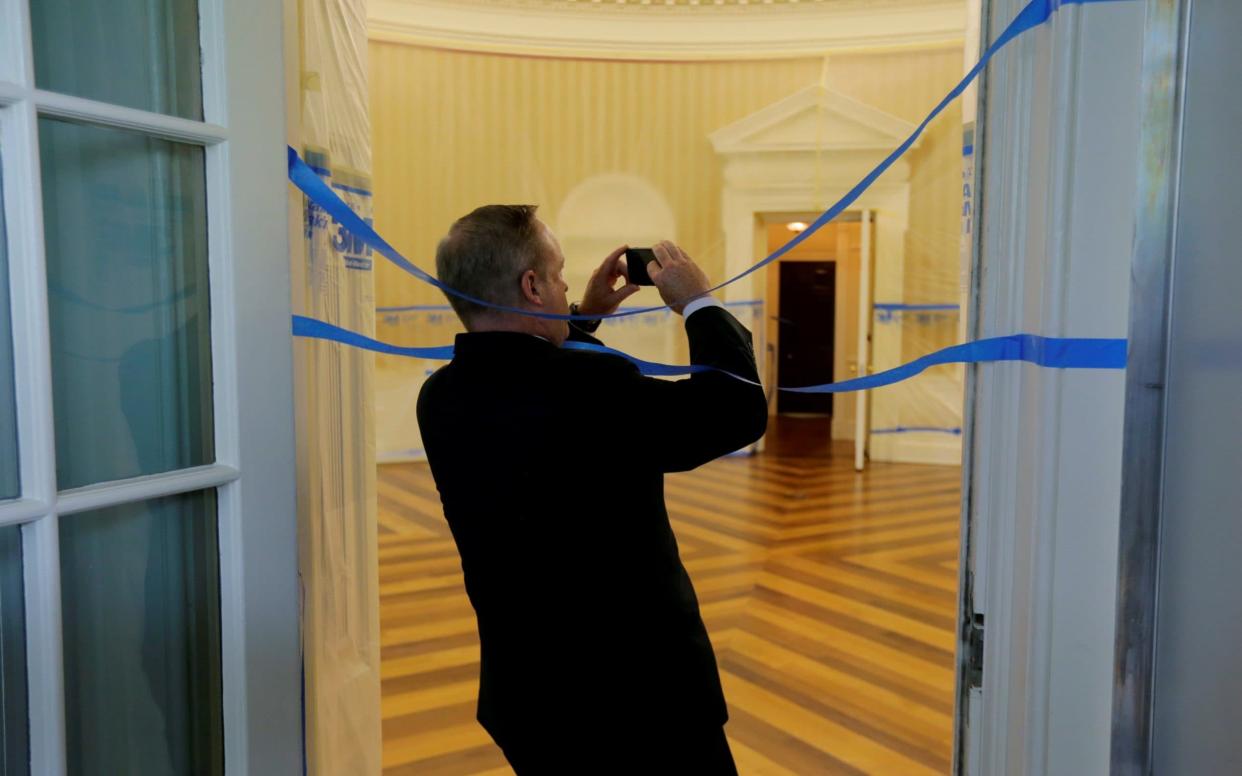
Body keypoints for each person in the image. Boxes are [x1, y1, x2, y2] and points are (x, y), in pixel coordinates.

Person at [417, 204, 767, 774]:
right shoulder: (592, 387)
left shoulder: (439, 398)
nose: (563, 285)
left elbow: (528, 380)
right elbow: (733, 413)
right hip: (641, 706)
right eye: (556, 275)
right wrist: (698, 303)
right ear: (530, 287)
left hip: (530, 699)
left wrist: (581, 317)